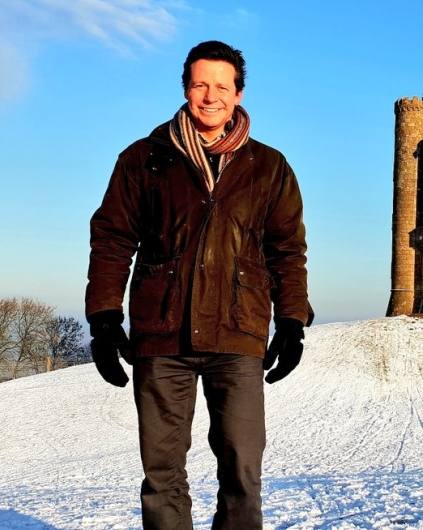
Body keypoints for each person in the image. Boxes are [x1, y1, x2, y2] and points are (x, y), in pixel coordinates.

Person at [85, 40, 313, 530]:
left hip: (238, 335)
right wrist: (104, 319)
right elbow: (111, 239)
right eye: (200, 84)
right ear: (186, 87)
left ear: (239, 93)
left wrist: (292, 323)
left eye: (222, 86)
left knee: (242, 472)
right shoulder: (143, 158)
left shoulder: (269, 166)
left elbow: (287, 251)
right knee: (162, 474)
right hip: (162, 335)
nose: (210, 96)